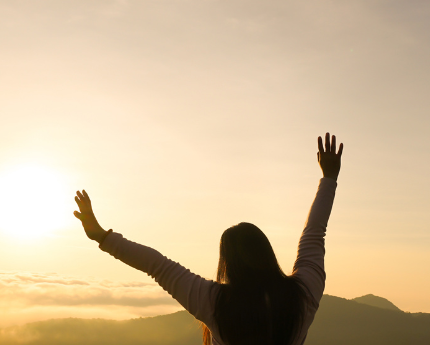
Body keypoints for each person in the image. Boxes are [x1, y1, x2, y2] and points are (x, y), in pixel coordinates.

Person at [72, 133, 343, 345]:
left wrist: (101, 237)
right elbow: (313, 236)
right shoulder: (302, 296)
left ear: (228, 263)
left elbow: (156, 265)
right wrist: (329, 178)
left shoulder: (215, 303)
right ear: (266, 253)